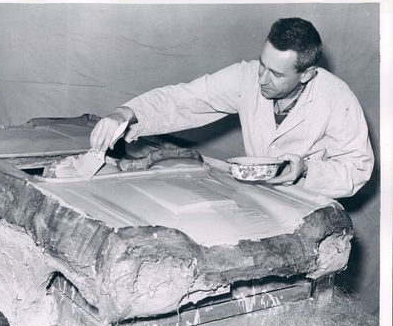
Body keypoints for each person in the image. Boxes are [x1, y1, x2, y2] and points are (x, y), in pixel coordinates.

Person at [90, 17, 374, 199]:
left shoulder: (337, 98)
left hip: (308, 203)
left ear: (307, 74)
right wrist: (124, 114)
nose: (261, 79)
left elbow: (357, 170)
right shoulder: (246, 77)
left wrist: (306, 170)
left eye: (276, 74)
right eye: (262, 64)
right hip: (256, 196)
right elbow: (183, 99)